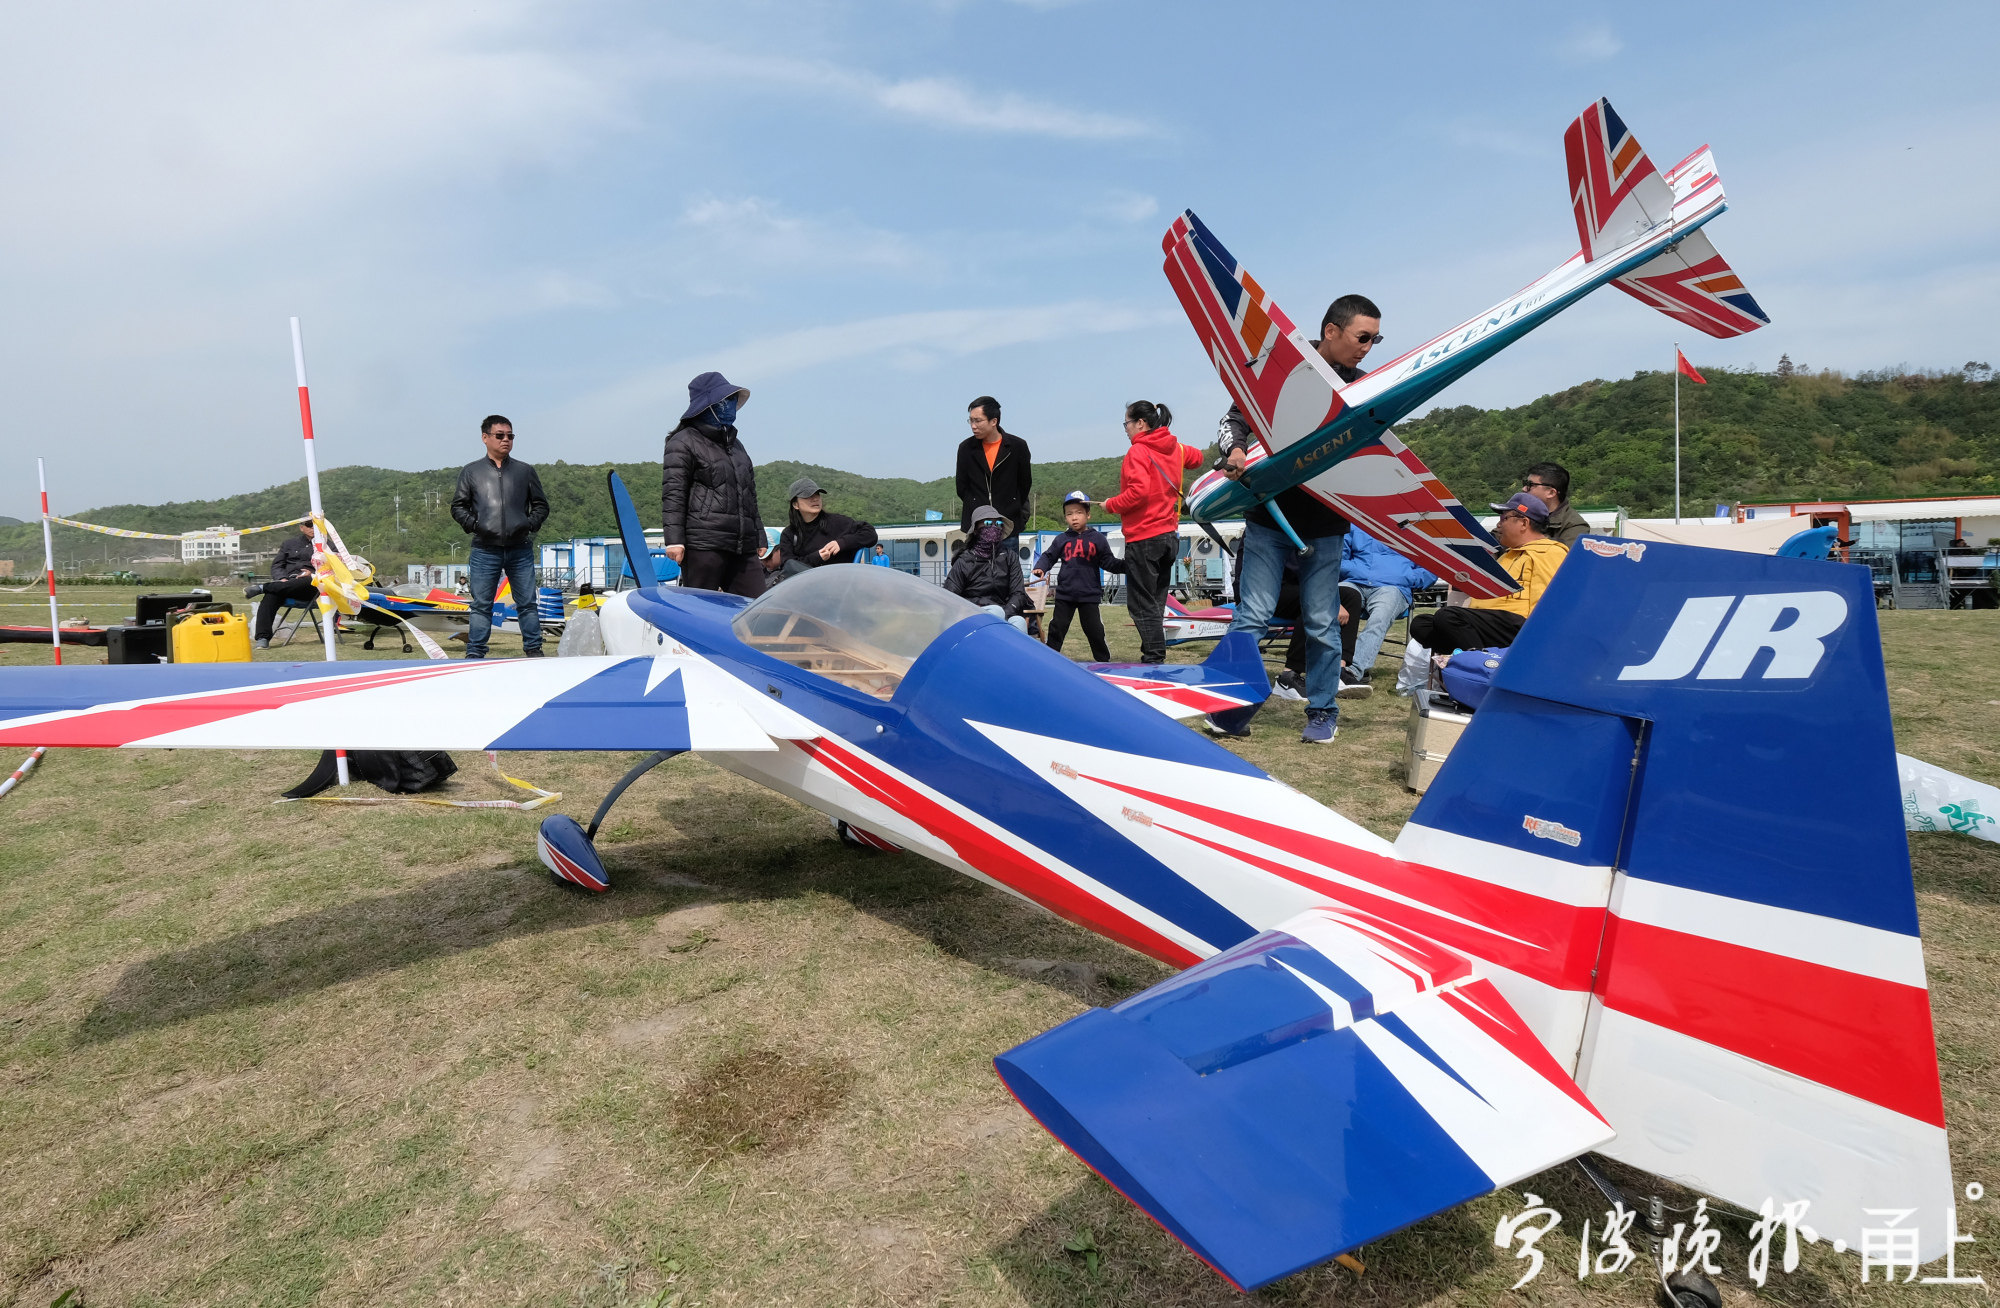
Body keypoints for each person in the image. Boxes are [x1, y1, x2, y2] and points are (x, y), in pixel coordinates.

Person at [1217, 294, 1383, 743]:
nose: (1368, 347)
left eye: (1375, 339)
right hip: (1269, 516)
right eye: (1362, 337)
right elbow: (1236, 416)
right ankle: (1229, 704)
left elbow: (1376, 453)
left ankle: (1323, 710)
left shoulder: (1367, 389)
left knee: (1323, 622)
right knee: (1250, 616)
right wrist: (1234, 450)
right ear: (1331, 331)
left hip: (1326, 526)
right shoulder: (1283, 369)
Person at [1103, 401, 1201, 665]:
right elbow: (1198, 458)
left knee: (1140, 605)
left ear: (1140, 424)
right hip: (1170, 536)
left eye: (1127, 423)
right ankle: (1153, 657)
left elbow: (1137, 493)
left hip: (1144, 536)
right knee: (1155, 602)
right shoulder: (1176, 448)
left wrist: (1110, 504)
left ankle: (1154, 659)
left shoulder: (1138, 452)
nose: (1125, 430)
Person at [1408, 492, 1566, 655]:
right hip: (1487, 623)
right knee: (1421, 624)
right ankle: (1466, 657)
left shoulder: (1549, 552)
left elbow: (1548, 602)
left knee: (1448, 616)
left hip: (1521, 626)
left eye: (1504, 518)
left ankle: (1481, 663)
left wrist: (1540, 642)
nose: (1499, 524)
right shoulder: (1508, 555)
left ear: (1524, 523)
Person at [449, 414, 548, 658]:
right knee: (481, 605)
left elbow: (541, 505)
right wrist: (476, 525)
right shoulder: (471, 472)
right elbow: (458, 506)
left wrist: (528, 524)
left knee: (527, 603)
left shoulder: (525, 471)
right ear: (485, 438)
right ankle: (475, 653)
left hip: (520, 548)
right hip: (484, 549)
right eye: (500, 435)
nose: (506, 440)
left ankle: (534, 650)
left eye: (510, 436)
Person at [662, 372, 768, 598]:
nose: (730, 405)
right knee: (699, 610)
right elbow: (674, 494)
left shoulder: (737, 445)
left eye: (731, 400)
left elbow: (749, 494)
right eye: (723, 401)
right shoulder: (683, 441)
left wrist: (759, 535)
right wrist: (674, 540)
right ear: (706, 406)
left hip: (742, 545)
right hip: (704, 543)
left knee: (757, 607)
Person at [1337, 527, 1438, 697]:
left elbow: (1431, 569)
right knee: (1331, 601)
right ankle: (1327, 666)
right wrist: (1356, 570)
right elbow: (1338, 557)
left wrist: (1403, 577)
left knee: (1379, 617)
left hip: (1393, 586)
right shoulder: (1355, 525)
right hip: (1354, 580)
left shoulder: (1418, 529)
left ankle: (1352, 672)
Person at [1033, 491, 1126, 661]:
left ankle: (1103, 662)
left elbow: (1108, 562)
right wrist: (1041, 567)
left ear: (1088, 514)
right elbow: (1049, 556)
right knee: (1057, 629)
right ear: (1065, 517)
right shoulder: (1062, 539)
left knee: (1095, 630)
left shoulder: (1098, 539)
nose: (1074, 517)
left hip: (1089, 595)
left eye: (1079, 512)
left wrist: (1126, 566)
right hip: (1065, 594)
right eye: (1069, 514)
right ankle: (1049, 661)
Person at [955, 396, 1031, 547]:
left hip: (1007, 527)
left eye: (978, 420)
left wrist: (1013, 510)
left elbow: (1024, 484)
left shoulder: (1017, 447)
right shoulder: (965, 448)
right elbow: (962, 488)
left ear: (993, 421)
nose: (973, 426)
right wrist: (977, 507)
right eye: (971, 420)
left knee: (1007, 569)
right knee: (977, 570)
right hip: (977, 527)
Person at [770, 477, 877, 580]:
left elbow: (870, 534)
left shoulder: (838, 522)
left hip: (841, 587)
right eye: (808, 496)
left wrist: (842, 543)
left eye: (817, 494)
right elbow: (788, 566)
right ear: (795, 504)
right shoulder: (789, 534)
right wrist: (817, 557)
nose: (815, 498)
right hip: (805, 591)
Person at [945, 505, 1029, 632]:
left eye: (999, 523)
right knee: (996, 611)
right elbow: (949, 595)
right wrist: (973, 607)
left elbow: (1018, 593)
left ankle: (1008, 651)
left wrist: (1006, 613)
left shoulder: (1009, 557)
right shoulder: (964, 560)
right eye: (988, 523)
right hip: (972, 613)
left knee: (1019, 622)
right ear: (976, 529)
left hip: (1002, 613)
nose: (994, 527)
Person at [245, 521, 319, 649]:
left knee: (307, 580)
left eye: (315, 525)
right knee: (271, 595)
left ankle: (262, 587)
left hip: (311, 586)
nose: (312, 528)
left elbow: (334, 568)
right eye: (309, 525)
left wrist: (313, 573)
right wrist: (281, 578)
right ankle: (263, 638)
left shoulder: (327, 546)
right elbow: (277, 565)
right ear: (301, 527)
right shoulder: (289, 544)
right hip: (287, 583)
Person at [1522, 462, 1589, 548]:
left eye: (1530, 485)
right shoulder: (1519, 512)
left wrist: (1528, 536)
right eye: (1525, 483)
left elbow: (1563, 557)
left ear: (1551, 492)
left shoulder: (1575, 526)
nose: (1524, 489)